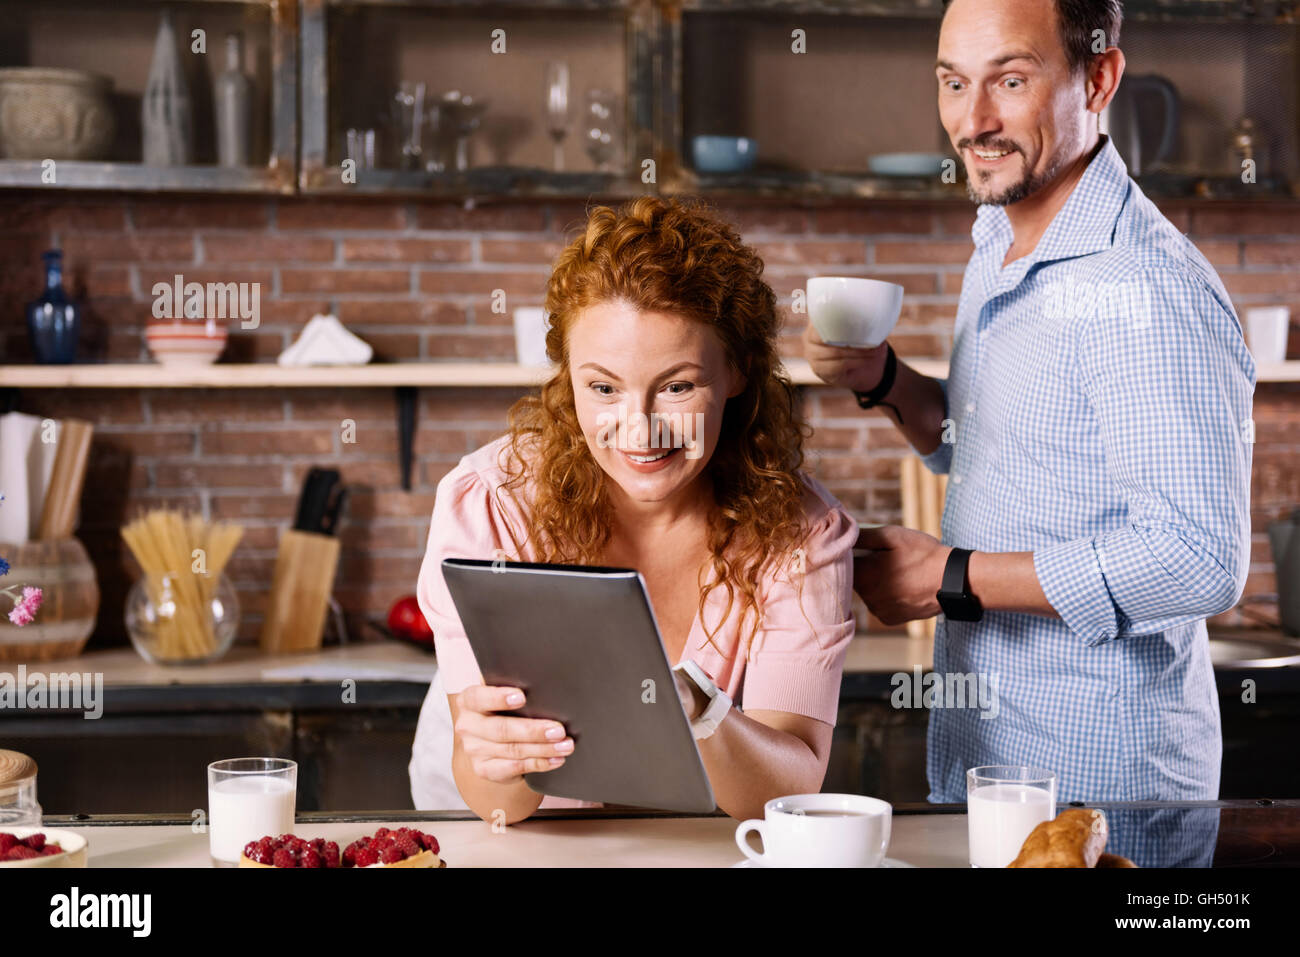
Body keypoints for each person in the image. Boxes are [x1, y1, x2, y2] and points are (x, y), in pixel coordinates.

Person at [804, 0, 1254, 803]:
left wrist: (953, 576)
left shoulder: (1143, 285)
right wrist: (884, 379)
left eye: (1010, 80)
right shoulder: (1000, 241)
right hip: (993, 759)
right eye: (953, 83)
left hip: (1105, 790)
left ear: (1100, 78)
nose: (972, 121)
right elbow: (994, 444)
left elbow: (1199, 558)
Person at [410, 196, 858, 823]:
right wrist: (505, 753)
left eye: (677, 386)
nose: (639, 430)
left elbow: (786, 792)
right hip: (514, 837)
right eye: (603, 388)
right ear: (568, 378)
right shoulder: (490, 503)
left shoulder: (802, 534)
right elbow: (496, 803)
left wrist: (700, 711)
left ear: (735, 372)